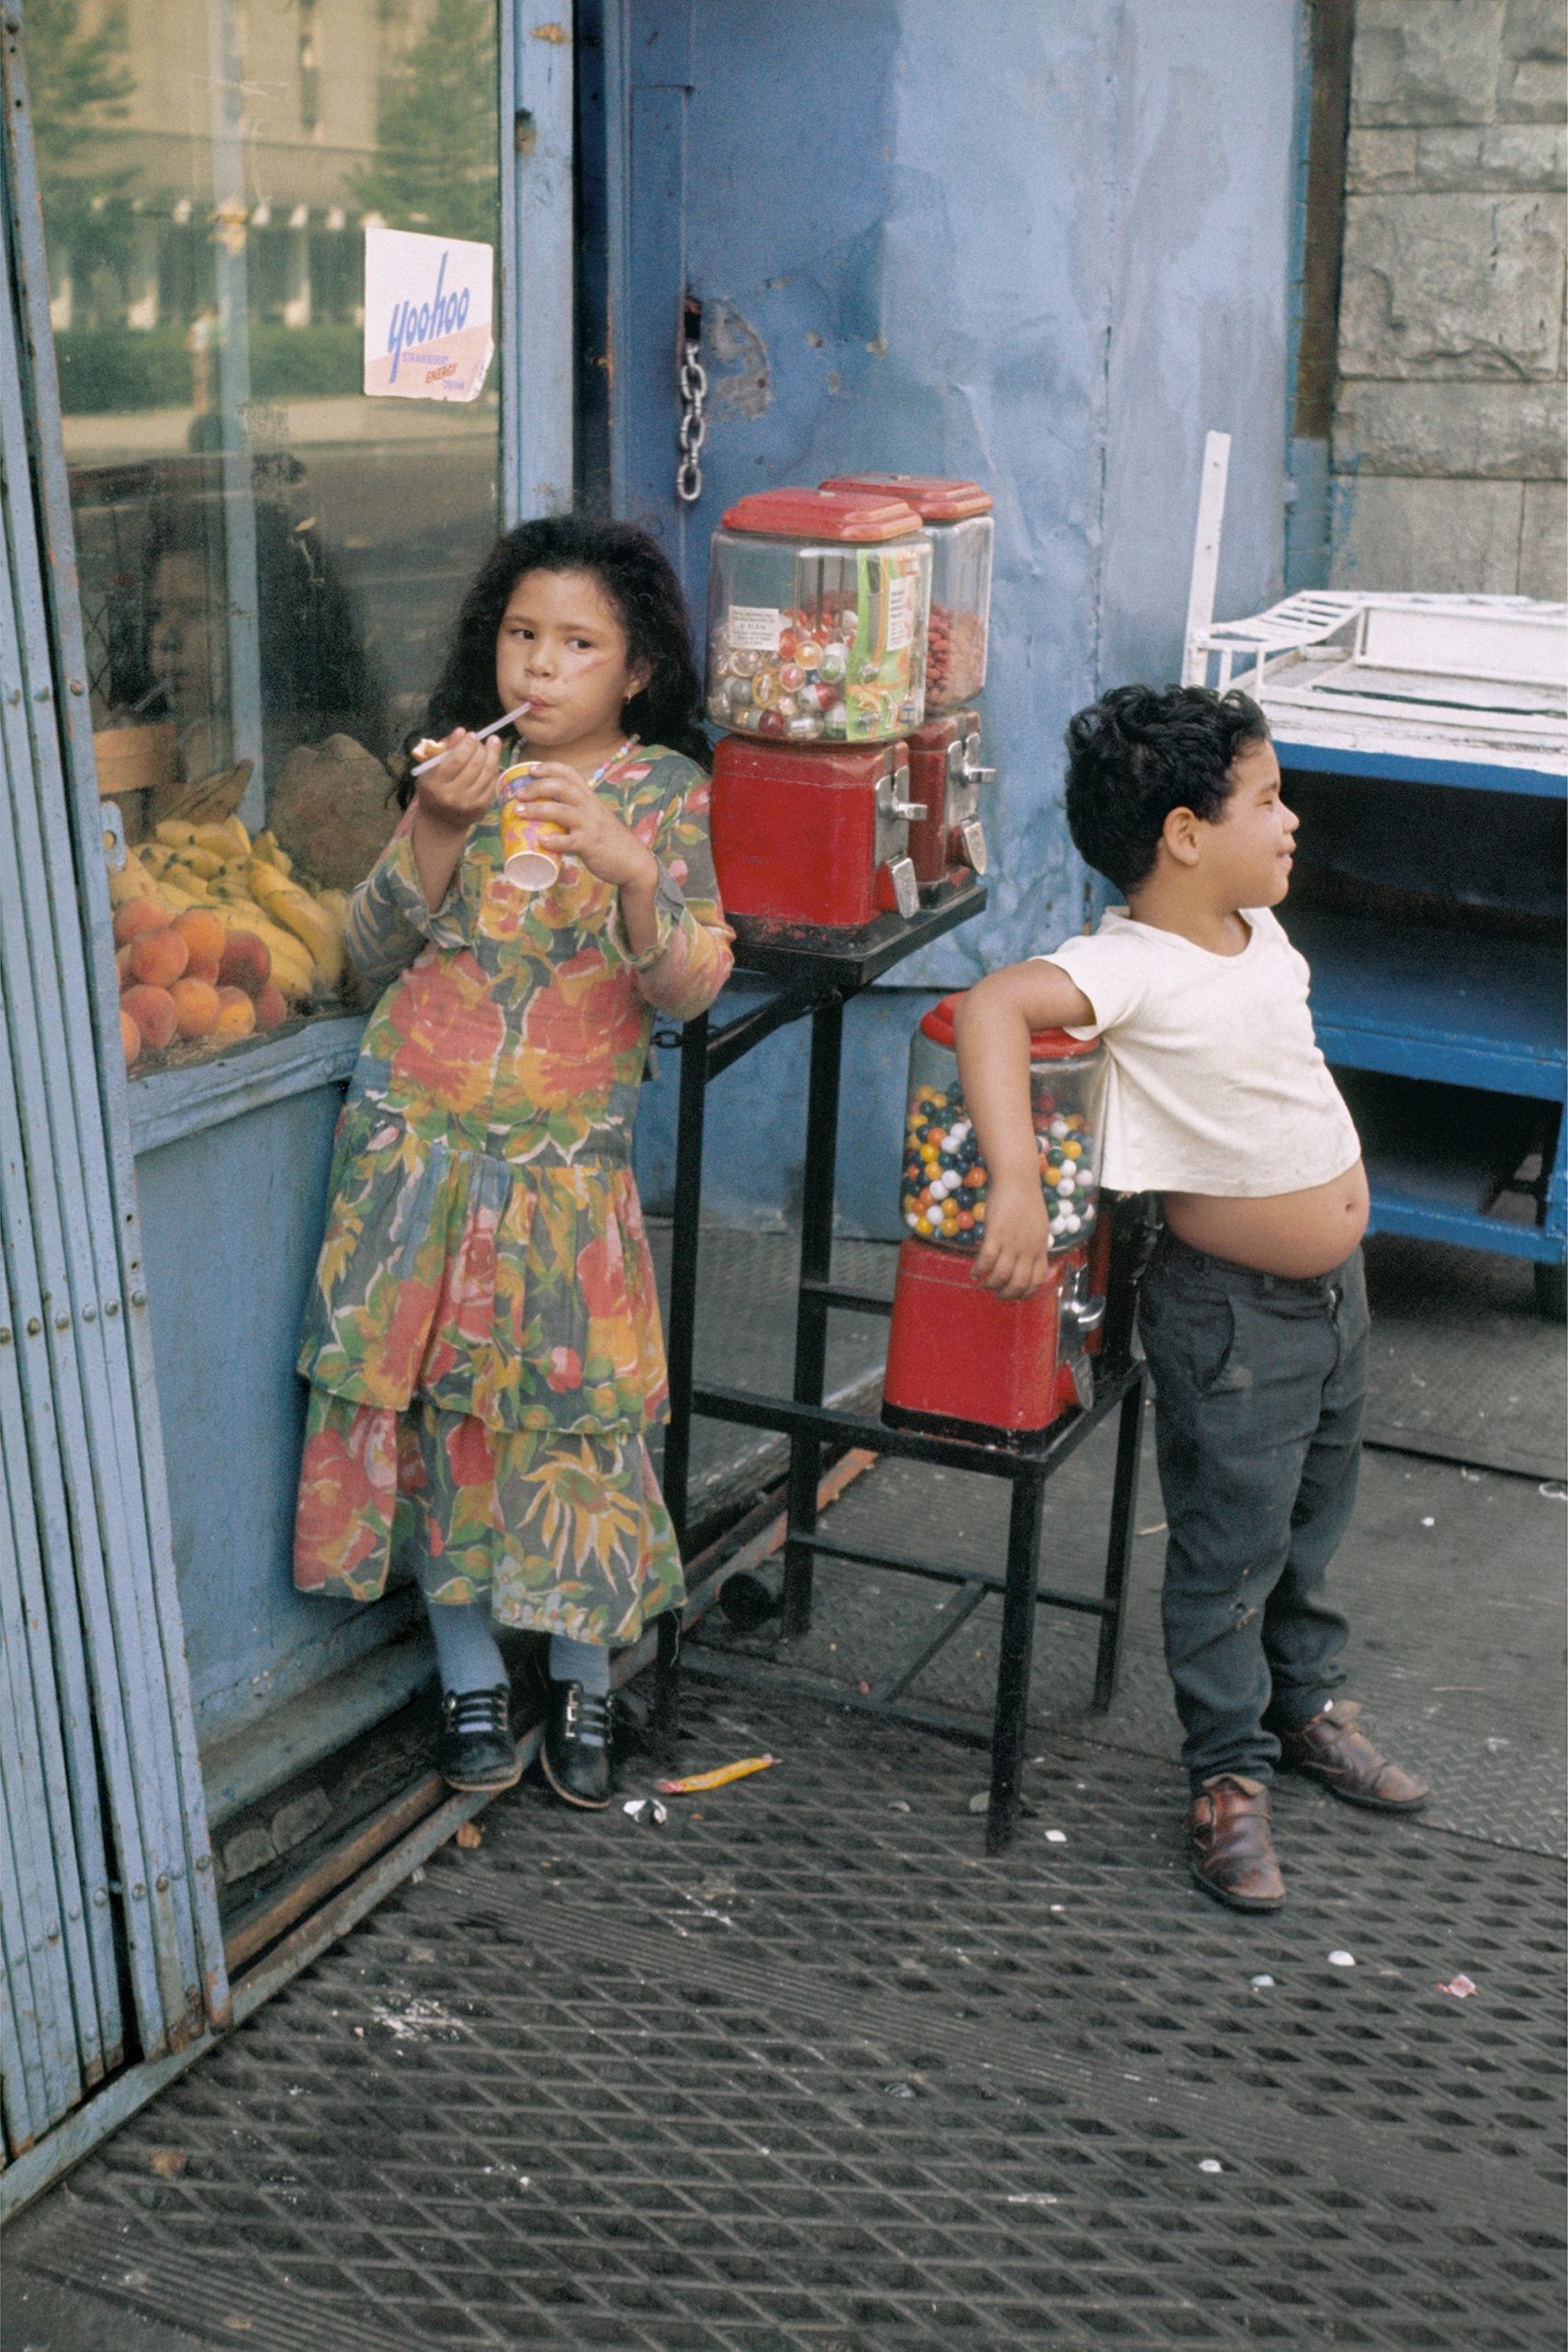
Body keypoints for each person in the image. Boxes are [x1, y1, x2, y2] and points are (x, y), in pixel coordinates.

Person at [954, 684, 1428, 1911]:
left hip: (1335, 1303)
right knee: (1228, 1550)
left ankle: (1306, 1707)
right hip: (1233, 1321)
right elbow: (995, 1008)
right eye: (1267, 800)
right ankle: (1228, 1777)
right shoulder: (1132, 968)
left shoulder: (1253, 928)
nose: (1292, 822)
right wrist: (1015, 1183)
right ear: (1182, 835)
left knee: (1310, 1524)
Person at [291, 517, 733, 1809]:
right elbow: (368, 953)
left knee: (570, 1423)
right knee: (436, 1418)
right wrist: (430, 821)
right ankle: (468, 1666)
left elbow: (693, 987)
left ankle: (587, 1672)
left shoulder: (664, 797)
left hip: (560, 1177)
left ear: (636, 668)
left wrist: (635, 877)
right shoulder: (456, 771)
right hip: (414, 1153)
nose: (541, 669)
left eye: (578, 645)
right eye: (522, 636)